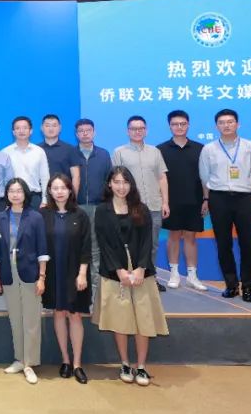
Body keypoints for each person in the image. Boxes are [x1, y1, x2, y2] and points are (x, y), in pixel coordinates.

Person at [93, 167, 169, 386]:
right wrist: (119, 270)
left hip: (141, 272)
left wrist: (141, 268)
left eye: (125, 182)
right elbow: (104, 243)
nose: (121, 187)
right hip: (114, 273)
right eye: (116, 182)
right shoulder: (102, 210)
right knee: (121, 319)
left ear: (131, 184)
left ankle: (141, 366)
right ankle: (125, 363)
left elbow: (147, 242)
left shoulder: (141, 209)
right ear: (109, 184)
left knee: (143, 319)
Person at [199, 108, 251, 302]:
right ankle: (231, 285)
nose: (226, 125)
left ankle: (248, 287)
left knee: (248, 244)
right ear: (216, 126)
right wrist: (209, 197)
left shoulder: (250, 146)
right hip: (219, 199)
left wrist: (247, 186)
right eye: (222, 122)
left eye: (230, 122)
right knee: (223, 244)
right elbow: (204, 176)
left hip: (245, 199)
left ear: (238, 124)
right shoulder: (209, 149)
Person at [0, 178, 48, 384]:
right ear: (6, 194)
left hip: (30, 272)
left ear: (25, 193)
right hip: (8, 272)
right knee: (15, 318)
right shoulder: (0, 217)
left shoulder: (35, 217)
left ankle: (29, 363)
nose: (15, 194)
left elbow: (42, 249)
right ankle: (19, 359)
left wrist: (42, 277)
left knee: (31, 319)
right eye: (11, 191)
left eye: (19, 191)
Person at [40, 173, 92, 384]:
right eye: (55, 188)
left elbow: (86, 247)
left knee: (75, 315)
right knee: (58, 313)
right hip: (53, 272)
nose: (59, 192)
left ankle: (78, 363)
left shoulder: (80, 215)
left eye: (63, 187)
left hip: (75, 273)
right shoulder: (43, 215)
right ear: (49, 191)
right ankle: (65, 360)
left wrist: (82, 273)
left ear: (70, 190)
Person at [112, 116, 170, 275]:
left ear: (146, 130)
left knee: (152, 244)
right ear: (127, 131)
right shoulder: (119, 152)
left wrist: (165, 202)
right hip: (130, 207)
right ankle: (130, 276)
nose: (137, 131)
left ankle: (150, 278)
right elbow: (115, 181)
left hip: (154, 206)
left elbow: (162, 177)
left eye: (141, 128)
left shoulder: (155, 151)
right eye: (133, 129)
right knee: (130, 244)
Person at [157, 110, 207, 290]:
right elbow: (159, 178)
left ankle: (192, 276)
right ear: (169, 126)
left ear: (188, 125)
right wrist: (163, 201)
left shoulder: (200, 149)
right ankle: (174, 274)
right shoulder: (160, 149)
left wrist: (206, 198)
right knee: (174, 236)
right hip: (171, 201)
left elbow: (205, 176)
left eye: (182, 124)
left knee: (191, 237)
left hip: (194, 200)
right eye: (175, 124)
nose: (179, 127)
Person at [74, 118, 111, 290]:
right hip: (77, 206)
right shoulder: (71, 154)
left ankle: (95, 278)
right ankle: (78, 277)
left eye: (88, 130)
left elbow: (109, 180)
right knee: (77, 242)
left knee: (96, 243)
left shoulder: (103, 154)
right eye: (81, 131)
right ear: (76, 134)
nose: (85, 133)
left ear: (94, 132)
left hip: (98, 206)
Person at [2, 116, 50, 211]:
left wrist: (45, 200)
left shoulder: (39, 151)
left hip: (34, 198)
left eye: (25, 128)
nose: (21, 131)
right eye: (18, 128)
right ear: (13, 132)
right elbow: (3, 180)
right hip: (13, 198)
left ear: (31, 131)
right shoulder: (5, 152)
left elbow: (45, 177)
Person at [39, 114, 84, 196]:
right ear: (42, 128)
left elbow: (76, 176)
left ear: (60, 128)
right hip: (40, 196)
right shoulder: (36, 150)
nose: (51, 128)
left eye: (54, 125)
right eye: (47, 125)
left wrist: (73, 198)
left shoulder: (70, 149)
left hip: (63, 195)